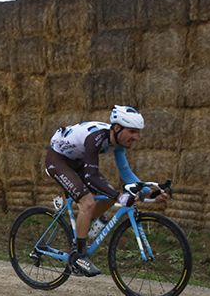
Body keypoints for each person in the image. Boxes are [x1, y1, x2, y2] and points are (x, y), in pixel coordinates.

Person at [44, 105, 169, 277]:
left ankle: (83, 229)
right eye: (132, 131)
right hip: (58, 159)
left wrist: (151, 192)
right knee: (88, 202)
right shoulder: (96, 138)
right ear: (117, 128)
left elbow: (126, 173)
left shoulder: (117, 144)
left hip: (77, 161)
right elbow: (90, 177)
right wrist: (119, 196)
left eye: (138, 132)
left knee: (110, 196)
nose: (136, 137)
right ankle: (79, 256)